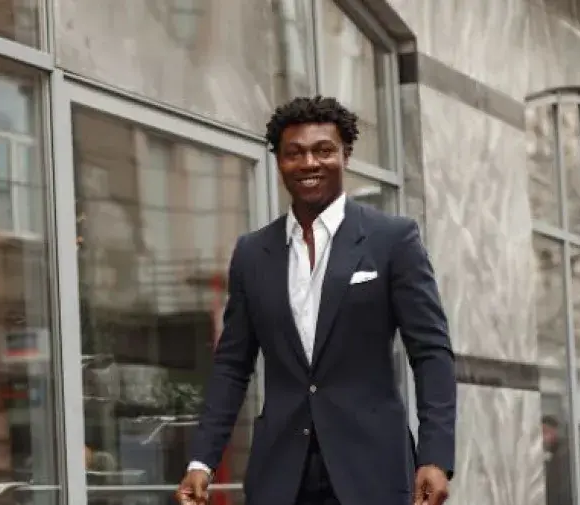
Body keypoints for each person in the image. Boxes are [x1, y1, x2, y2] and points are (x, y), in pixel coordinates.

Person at [174, 96, 457, 505]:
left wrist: (435, 455)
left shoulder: (392, 239)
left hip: (371, 469)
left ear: (345, 155)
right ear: (279, 162)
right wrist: (202, 460)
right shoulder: (253, 253)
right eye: (295, 153)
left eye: (323, 150)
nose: (309, 163)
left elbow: (431, 352)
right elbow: (232, 366)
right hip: (281, 474)